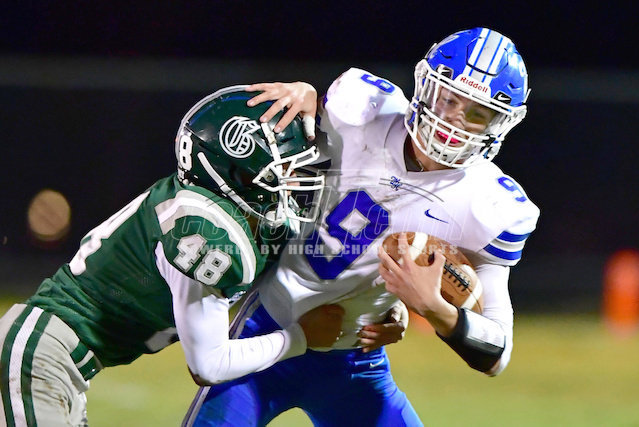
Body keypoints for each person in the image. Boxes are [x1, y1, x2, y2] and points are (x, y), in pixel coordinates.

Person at [184, 27, 540, 426]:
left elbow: (497, 352)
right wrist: (304, 98)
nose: (454, 120)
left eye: (476, 113)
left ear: (500, 124)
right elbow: (277, 146)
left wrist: (434, 309)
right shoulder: (361, 108)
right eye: (449, 99)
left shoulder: (492, 205)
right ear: (426, 86)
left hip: (356, 361)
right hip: (265, 333)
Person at [0, 86, 346, 426]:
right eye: (284, 168)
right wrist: (300, 338)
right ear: (240, 170)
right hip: (40, 355)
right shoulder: (201, 232)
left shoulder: (234, 214)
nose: (295, 178)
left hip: (56, 360)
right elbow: (209, 365)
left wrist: (315, 100)